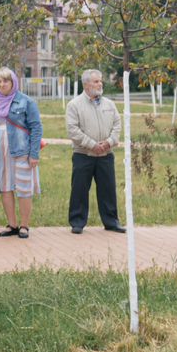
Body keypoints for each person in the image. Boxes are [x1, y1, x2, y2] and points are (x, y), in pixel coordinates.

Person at [0, 67, 44, 240]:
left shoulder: (26, 101)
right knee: (5, 188)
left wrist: (34, 154)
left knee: (24, 189)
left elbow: (36, 128)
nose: (2, 84)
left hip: (21, 151)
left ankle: (24, 225)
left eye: (6, 81)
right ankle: (12, 225)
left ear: (13, 82)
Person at [66, 68, 125, 234]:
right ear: (86, 85)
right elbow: (73, 130)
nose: (100, 84)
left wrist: (109, 142)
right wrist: (92, 145)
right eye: (96, 81)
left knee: (108, 190)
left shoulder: (109, 104)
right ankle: (77, 222)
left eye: (100, 81)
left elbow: (117, 125)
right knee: (79, 189)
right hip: (83, 155)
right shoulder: (74, 105)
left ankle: (111, 222)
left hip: (106, 154)